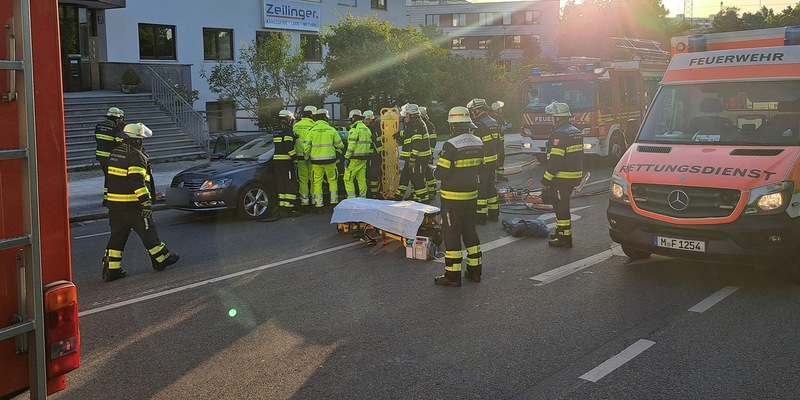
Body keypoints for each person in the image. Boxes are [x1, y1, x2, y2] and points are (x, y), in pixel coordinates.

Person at [102, 123, 179, 282]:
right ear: (136, 140)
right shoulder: (136, 156)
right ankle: (162, 259)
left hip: (115, 206)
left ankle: (111, 271)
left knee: (117, 237)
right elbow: (136, 181)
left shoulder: (115, 153)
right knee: (148, 233)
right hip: (133, 205)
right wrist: (145, 202)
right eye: (142, 139)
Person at [433, 106, 484, 287]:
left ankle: (452, 275)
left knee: (452, 234)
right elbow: (480, 167)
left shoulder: (450, 145)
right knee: (470, 232)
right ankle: (475, 270)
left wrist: (435, 171)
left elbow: (441, 174)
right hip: (471, 196)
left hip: (452, 200)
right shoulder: (478, 142)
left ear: (452, 126)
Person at [540, 102, 584, 248]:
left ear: (557, 117)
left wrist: (545, 180)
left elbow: (555, 162)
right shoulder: (575, 131)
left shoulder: (559, 134)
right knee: (562, 204)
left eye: (553, 116)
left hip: (561, 178)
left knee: (561, 207)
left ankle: (565, 238)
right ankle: (560, 232)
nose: (552, 119)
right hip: (574, 176)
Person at [466, 98, 500, 224]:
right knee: (491, 186)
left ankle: (481, 216)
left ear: (478, 110)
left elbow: (476, 146)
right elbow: (498, 143)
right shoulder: (493, 122)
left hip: (483, 162)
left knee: (481, 187)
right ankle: (493, 213)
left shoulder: (479, 125)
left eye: (473, 110)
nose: (472, 113)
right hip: (493, 160)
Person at [304, 108, 344, 213]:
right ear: (326, 118)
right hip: (330, 160)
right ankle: (334, 203)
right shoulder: (331, 130)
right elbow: (340, 145)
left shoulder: (312, 131)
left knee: (317, 182)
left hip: (315, 162)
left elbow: (306, 147)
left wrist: (306, 158)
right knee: (332, 181)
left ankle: (319, 206)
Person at [393, 103, 431, 203]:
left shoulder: (417, 125)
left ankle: (423, 200)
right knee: (405, 176)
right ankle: (398, 195)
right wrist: (399, 134)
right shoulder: (413, 124)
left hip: (418, 159)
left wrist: (413, 158)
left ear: (412, 115)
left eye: (406, 115)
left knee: (417, 180)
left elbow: (417, 143)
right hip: (411, 158)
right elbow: (408, 133)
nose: (404, 118)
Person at [270, 110, 302, 219]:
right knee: (290, 184)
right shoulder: (287, 130)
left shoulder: (277, 130)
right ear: (288, 118)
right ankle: (289, 209)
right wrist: (295, 158)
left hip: (277, 161)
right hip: (286, 162)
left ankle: (282, 208)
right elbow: (288, 145)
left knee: (281, 184)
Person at [95, 107, 125, 203]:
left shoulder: (98, 126)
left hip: (100, 156)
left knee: (107, 177)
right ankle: (108, 199)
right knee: (111, 178)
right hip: (110, 157)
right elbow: (120, 143)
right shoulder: (115, 128)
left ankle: (106, 198)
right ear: (116, 118)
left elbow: (97, 139)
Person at [344, 109, 372, 198]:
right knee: (361, 179)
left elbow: (351, 145)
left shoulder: (354, 129)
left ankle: (351, 199)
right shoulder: (367, 129)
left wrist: (346, 157)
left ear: (353, 118)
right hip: (364, 158)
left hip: (354, 159)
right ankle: (363, 198)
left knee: (347, 179)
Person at [294, 105, 317, 211]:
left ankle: (304, 203)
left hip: (299, 157)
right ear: (312, 115)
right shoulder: (314, 126)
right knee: (313, 180)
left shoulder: (296, 126)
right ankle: (314, 201)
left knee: (303, 180)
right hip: (312, 157)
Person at [363, 110, 384, 199]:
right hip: (368, 155)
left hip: (376, 155)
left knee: (374, 174)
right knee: (368, 174)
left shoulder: (376, 128)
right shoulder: (364, 127)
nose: (366, 121)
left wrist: (380, 154)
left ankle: (375, 193)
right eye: (365, 119)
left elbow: (378, 143)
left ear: (372, 119)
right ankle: (371, 192)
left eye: (368, 119)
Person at [419, 106, 438, 200]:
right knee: (426, 172)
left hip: (428, 154)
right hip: (424, 154)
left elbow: (433, 140)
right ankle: (431, 190)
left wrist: (430, 154)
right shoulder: (422, 125)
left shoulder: (429, 126)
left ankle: (432, 191)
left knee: (428, 173)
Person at [490, 101, 511, 182]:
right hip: (494, 142)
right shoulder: (491, 118)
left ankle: (500, 175)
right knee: (495, 159)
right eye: (500, 108)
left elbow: (505, 124)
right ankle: (493, 177)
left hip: (501, 141)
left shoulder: (500, 117)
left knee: (501, 158)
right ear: (496, 109)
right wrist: (500, 128)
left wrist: (507, 126)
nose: (501, 110)